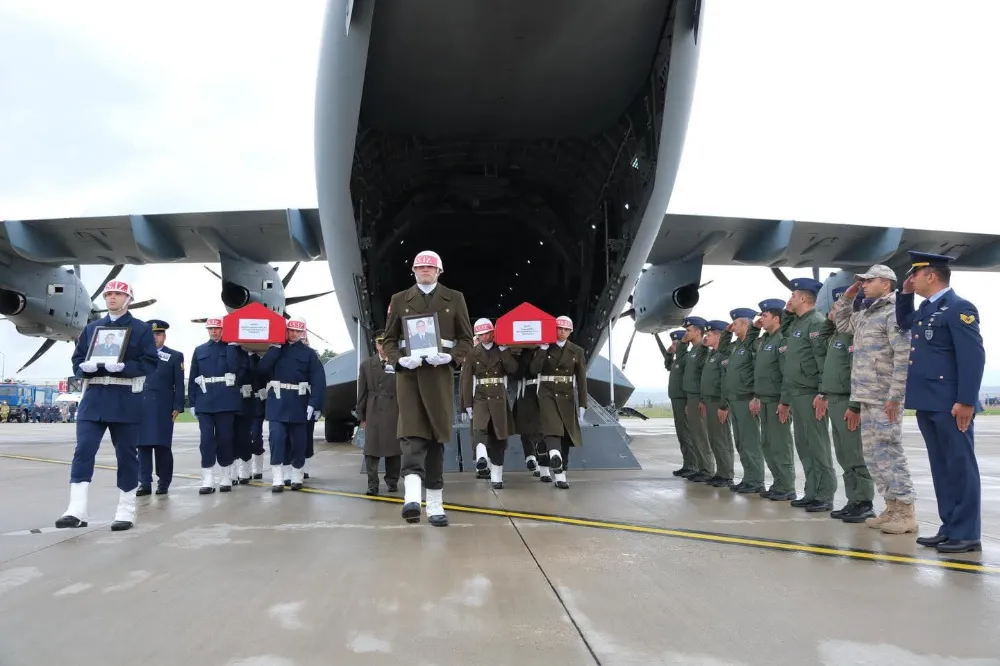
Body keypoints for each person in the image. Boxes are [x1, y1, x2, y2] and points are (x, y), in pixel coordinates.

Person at [896, 251, 985, 553]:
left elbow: (972, 357)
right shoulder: (926, 308)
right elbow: (903, 321)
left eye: (915, 275)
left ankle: (967, 533)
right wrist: (904, 294)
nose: (911, 280)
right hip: (928, 402)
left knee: (960, 468)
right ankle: (950, 526)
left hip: (951, 404)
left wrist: (966, 401)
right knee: (942, 468)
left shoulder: (959, 308)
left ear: (930, 276)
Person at [381, 250, 474, 526]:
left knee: (435, 441)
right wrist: (399, 360)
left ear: (439, 271)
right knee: (410, 435)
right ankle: (411, 498)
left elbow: (466, 339)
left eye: (429, 268)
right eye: (419, 267)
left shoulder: (455, 299)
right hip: (409, 379)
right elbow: (389, 340)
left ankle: (434, 505)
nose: (424, 271)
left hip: (438, 377)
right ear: (413, 271)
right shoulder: (399, 300)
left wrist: (451, 357)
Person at [56, 280, 157, 531]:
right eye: (109, 294)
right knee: (84, 450)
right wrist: (82, 369)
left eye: (118, 294)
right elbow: (77, 358)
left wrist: (126, 368)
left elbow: (150, 363)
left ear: (128, 299)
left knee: (126, 455)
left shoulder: (141, 329)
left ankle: (126, 508)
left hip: (125, 398)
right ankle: (76, 509)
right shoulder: (92, 328)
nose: (112, 298)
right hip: (94, 397)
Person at [834, 268, 911, 529]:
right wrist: (847, 298)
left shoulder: (894, 312)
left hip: (884, 398)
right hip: (866, 395)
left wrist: (895, 396)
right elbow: (842, 324)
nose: (864, 284)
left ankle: (906, 511)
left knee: (891, 452)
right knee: (874, 456)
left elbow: (903, 357)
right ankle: (891, 507)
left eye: (869, 280)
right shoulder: (867, 314)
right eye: (862, 281)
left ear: (886, 283)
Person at [780, 278, 836, 512]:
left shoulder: (816, 323)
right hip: (797, 393)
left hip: (812, 393)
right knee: (804, 445)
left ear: (803, 298)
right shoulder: (797, 324)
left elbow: (823, 360)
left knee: (818, 445)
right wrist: (788, 311)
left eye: (793, 296)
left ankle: (825, 494)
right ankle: (812, 491)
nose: (789, 300)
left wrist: (823, 393)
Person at [257, 316, 327, 491]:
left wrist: (315, 404)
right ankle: (278, 477)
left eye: (297, 331)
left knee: (299, 441)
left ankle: (296, 475)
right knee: (277, 439)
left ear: (302, 332)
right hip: (277, 401)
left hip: (299, 402)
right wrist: (273, 349)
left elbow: (318, 380)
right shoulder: (275, 350)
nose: (294, 334)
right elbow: (262, 370)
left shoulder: (309, 354)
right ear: (286, 330)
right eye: (291, 330)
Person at [529, 315, 588, 490]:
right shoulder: (544, 346)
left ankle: (561, 473)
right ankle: (555, 459)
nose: (561, 332)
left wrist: (583, 404)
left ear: (570, 332)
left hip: (567, 395)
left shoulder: (577, 351)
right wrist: (542, 350)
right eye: (559, 329)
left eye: (565, 329)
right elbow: (533, 370)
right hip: (547, 392)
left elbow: (581, 379)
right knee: (552, 428)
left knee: (565, 435)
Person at [188, 318, 246, 494]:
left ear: (223, 330)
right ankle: (207, 478)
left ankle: (226, 475)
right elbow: (193, 377)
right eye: (211, 328)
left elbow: (238, 370)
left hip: (225, 400)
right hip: (205, 401)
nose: (214, 331)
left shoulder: (233, 348)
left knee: (225, 439)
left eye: (217, 328)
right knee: (206, 440)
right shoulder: (199, 350)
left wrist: (231, 347)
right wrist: (192, 402)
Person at [460, 318, 518, 489]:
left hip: (499, 396)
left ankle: (497, 476)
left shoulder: (502, 349)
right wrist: (466, 404)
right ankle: (481, 457)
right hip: (480, 396)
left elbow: (513, 369)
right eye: (481, 334)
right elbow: (466, 380)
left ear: (493, 332)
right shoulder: (472, 353)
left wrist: (506, 351)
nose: (484, 337)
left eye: (487, 333)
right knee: (479, 429)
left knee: (499, 437)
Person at [751, 300, 796, 501]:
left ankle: (787, 486)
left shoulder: (782, 340)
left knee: (780, 445)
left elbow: (787, 373)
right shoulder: (764, 341)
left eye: (765, 315)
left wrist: (785, 402)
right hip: (765, 400)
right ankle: (778, 483)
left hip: (778, 401)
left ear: (776, 318)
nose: (761, 319)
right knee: (768, 445)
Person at [137, 319, 185, 496]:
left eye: (158, 334)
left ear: (164, 336)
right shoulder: (138, 355)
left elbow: (179, 384)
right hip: (141, 405)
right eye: (152, 335)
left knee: (162, 446)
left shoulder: (174, 356)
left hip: (163, 406)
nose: (155, 338)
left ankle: (163, 482)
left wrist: (178, 406)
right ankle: (144, 482)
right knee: (142, 446)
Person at [722, 308, 765, 494]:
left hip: (746, 399)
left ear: (746, 324)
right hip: (734, 400)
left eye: (737, 323)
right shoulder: (736, 347)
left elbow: (758, 372)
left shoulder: (753, 345)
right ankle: (748, 478)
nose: (734, 327)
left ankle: (756, 481)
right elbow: (722, 349)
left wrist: (756, 396)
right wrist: (726, 332)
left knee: (750, 442)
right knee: (741, 442)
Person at [356, 329, 402, 495]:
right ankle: (372, 483)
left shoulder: (399, 363)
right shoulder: (367, 365)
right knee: (371, 450)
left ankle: (392, 481)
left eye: (386, 342)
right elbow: (362, 392)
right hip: (373, 409)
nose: (383, 346)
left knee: (394, 449)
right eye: (380, 342)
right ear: (375, 344)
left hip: (394, 408)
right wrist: (361, 415)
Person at [699, 320, 736, 488]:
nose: (706, 337)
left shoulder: (723, 355)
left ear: (719, 336)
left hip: (718, 402)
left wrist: (724, 405)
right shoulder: (711, 355)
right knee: (714, 439)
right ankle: (720, 472)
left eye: (709, 335)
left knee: (722, 439)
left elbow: (725, 381)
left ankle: (726, 474)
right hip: (709, 401)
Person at [655, 329, 695, 477]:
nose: (674, 345)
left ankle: (693, 465)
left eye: (676, 343)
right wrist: (669, 353)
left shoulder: (686, 359)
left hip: (683, 400)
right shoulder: (678, 360)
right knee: (681, 434)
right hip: (676, 399)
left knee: (687, 433)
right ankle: (687, 464)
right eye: (673, 343)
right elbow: (668, 366)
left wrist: (688, 403)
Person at [680, 316, 715, 482]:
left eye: (688, 330)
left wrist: (701, 399)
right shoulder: (692, 351)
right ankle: (702, 467)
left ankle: (707, 469)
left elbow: (703, 377)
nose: (685, 333)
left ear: (698, 332)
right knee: (695, 435)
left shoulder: (702, 350)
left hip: (698, 398)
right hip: (691, 397)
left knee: (701, 435)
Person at [512, 345, 544, 480]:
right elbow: (517, 372)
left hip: (541, 392)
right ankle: (531, 457)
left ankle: (538, 459)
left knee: (540, 428)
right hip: (525, 392)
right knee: (525, 429)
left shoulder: (547, 351)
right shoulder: (523, 355)